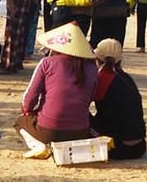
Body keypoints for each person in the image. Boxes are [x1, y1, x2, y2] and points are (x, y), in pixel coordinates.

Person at [15, 22, 98, 156]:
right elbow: (91, 96)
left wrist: (28, 112)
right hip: (80, 130)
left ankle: (39, 145)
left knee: (20, 122)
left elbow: (29, 99)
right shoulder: (91, 67)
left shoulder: (47, 63)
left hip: (49, 130)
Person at [89, 38, 146, 159]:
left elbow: (82, 104)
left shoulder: (102, 79)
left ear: (96, 60)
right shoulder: (126, 78)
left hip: (118, 146)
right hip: (139, 146)